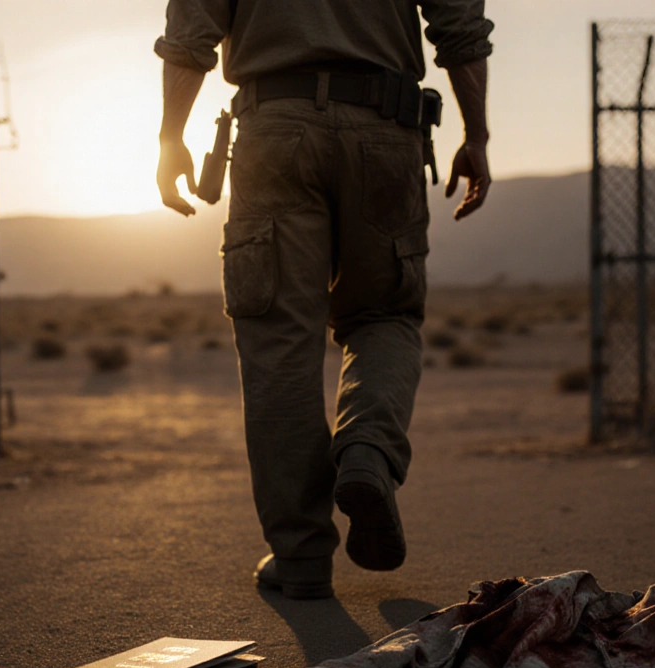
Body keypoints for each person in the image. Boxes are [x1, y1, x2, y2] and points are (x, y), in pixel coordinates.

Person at [155, 0, 493, 599]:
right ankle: (366, 451)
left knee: (279, 343)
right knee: (384, 315)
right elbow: (461, 29)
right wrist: (477, 134)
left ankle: (302, 555)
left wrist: (171, 135)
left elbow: (190, 34)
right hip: (387, 131)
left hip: (275, 130)